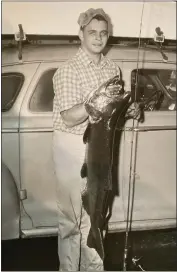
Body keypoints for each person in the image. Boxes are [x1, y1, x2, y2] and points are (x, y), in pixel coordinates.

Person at [52, 8, 121, 271]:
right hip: (71, 146)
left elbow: (113, 111)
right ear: (80, 34)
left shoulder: (112, 68)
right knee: (71, 220)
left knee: (97, 216)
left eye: (103, 33)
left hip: (101, 147)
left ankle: (94, 269)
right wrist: (95, 105)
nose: (98, 38)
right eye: (92, 32)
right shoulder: (67, 70)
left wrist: (129, 108)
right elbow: (69, 118)